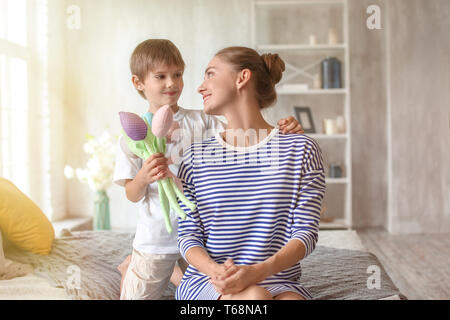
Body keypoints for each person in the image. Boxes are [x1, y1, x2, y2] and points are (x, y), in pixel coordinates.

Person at [113, 39, 304, 300]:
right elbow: (131, 194)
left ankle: (174, 275)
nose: (172, 83)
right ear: (138, 83)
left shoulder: (200, 120)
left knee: (196, 279)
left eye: (178, 75)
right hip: (156, 237)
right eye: (161, 76)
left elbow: (245, 135)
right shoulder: (133, 138)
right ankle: (130, 269)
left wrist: (284, 130)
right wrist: (143, 178)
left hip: (203, 237)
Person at [175, 46, 326, 300]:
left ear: (242, 78)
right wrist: (218, 272)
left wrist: (256, 272)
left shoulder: (301, 150)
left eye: (210, 74)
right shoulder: (193, 157)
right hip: (209, 280)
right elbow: (188, 235)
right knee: (254, 298)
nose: (201, 87)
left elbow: (306, 233)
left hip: (277, 278)